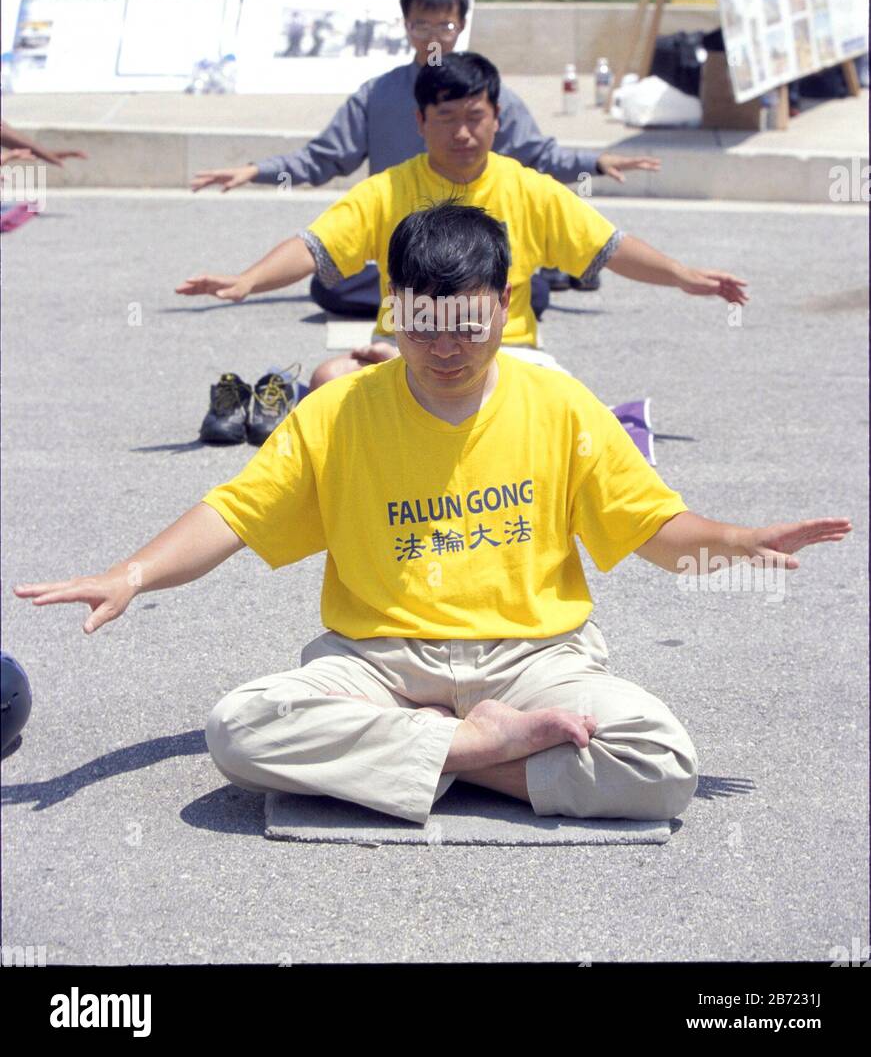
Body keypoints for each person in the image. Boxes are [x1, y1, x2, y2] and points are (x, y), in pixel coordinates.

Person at [15, 203, 851, 825]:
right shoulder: (339, 412)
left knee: (664, 766)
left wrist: (735, 541)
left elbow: (655, 530)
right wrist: (130, 574)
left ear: (506, 299)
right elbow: (231, 515)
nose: (446, 350)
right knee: (240, 730)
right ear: (391, 307)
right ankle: (485, 750)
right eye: (423, 328)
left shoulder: (557, 403)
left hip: (532, 660)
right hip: (379, 664)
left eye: (467, 327)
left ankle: (432, 752)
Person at [176, 52, 748, 433]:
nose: (463, 132)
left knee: (573, 411)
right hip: (404, 345)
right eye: (446, 118)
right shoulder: (387, 189)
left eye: (475, 116)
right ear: (420, 122)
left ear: (497, 118)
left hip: (509, 351)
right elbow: (315, 246)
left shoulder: (531, 190)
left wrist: (684, 276)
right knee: (329, 381)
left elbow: (610, 247)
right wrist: (247, 280)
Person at [188, 0, 661, 321]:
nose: (434, 37)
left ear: (461, 27)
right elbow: (323, 158)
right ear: (405, 26)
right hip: (405, 252)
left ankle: (543, 273)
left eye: (445, 27)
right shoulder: (378, 94)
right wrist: (255, 170)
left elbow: (541, 155)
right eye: (422, 26)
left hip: (476, 252)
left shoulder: (487, 95)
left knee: (521, 293)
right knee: (329, 288)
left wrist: (597, 161)